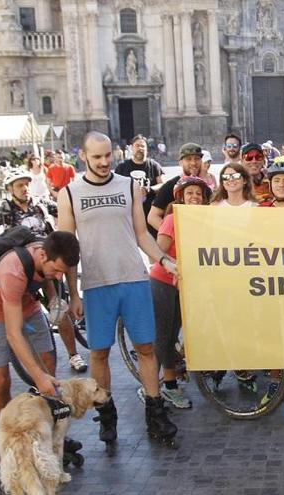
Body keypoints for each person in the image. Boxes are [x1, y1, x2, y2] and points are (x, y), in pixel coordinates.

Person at [59, 131, 178, 453]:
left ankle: (155, 411)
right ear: (83, 156)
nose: (103, 161)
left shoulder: (128, 187)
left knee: (146, 348)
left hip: (133, 279)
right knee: (99, 352)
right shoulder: (69, 193)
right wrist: (73, 294)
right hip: (97, 284)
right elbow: (67, 250)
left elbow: (142, 234)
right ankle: (106, 412)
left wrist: (164, 259)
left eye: (107, 155)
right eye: (96, 156)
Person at [0, 231, 81, 472]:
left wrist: (55, 299)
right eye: (56, 270)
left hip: (27, 304)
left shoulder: (46, 255)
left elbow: (46, 275)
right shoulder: (12, 270)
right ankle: (6, 444)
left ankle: (48, 433)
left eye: (62, 273)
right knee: (0, 379)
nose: (58, 275)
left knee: (48, 364)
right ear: (42, 254)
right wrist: (37, 376)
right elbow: (13, 333)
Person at [0, 169, 87, 373]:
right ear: (10, 189)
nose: (24, 188)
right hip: (22, 268)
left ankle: (73, 354)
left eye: (26, 184)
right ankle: (31, 358)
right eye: (19, 185)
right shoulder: (4, 210)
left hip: (49, 264)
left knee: (58, 309)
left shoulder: (41, 204)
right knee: (19, 313)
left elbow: (65, 213)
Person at [150, 176, 210, 409]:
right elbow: (158, 252)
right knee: (164, 336)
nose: (194, 197)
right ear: (180, 198)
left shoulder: (204, 221)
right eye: (190, 193)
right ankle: (158, 387)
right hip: (164, 282)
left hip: (186, 284)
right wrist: (177, 265)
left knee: (174, 336)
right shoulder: (173, 219)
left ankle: (171, 381)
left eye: (198, 193)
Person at [147, 143, 213, 233]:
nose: (193, 163)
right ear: (180, 162)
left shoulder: (205, 188)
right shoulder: (169, 186)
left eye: (197, 159)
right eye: (188, 159)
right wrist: (174, 235)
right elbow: (152, 217)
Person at [115, 135, 165, 237]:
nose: (140, 148)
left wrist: (149, 189)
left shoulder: (154, 166)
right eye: (137, 146)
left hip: (150, 215)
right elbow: (114, 187)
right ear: (131, 148)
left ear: (147, 149)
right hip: (129, 216)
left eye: (143, 146)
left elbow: (162, 185)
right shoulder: (122, 167)